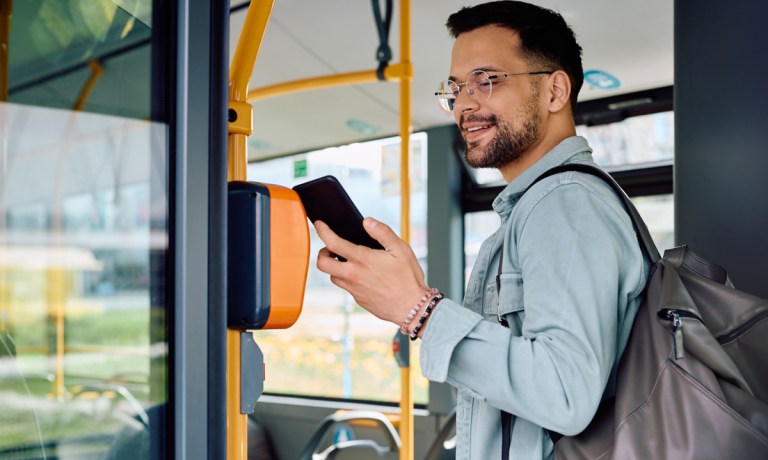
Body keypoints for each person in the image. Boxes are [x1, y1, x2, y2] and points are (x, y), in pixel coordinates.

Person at [314, 1, 650, 459]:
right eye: (455, 88)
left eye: (486, 81)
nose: (464, 104)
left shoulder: (564, 202)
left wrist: (419, 310)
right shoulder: (538, 207)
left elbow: (564, 394)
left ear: (555, 91)